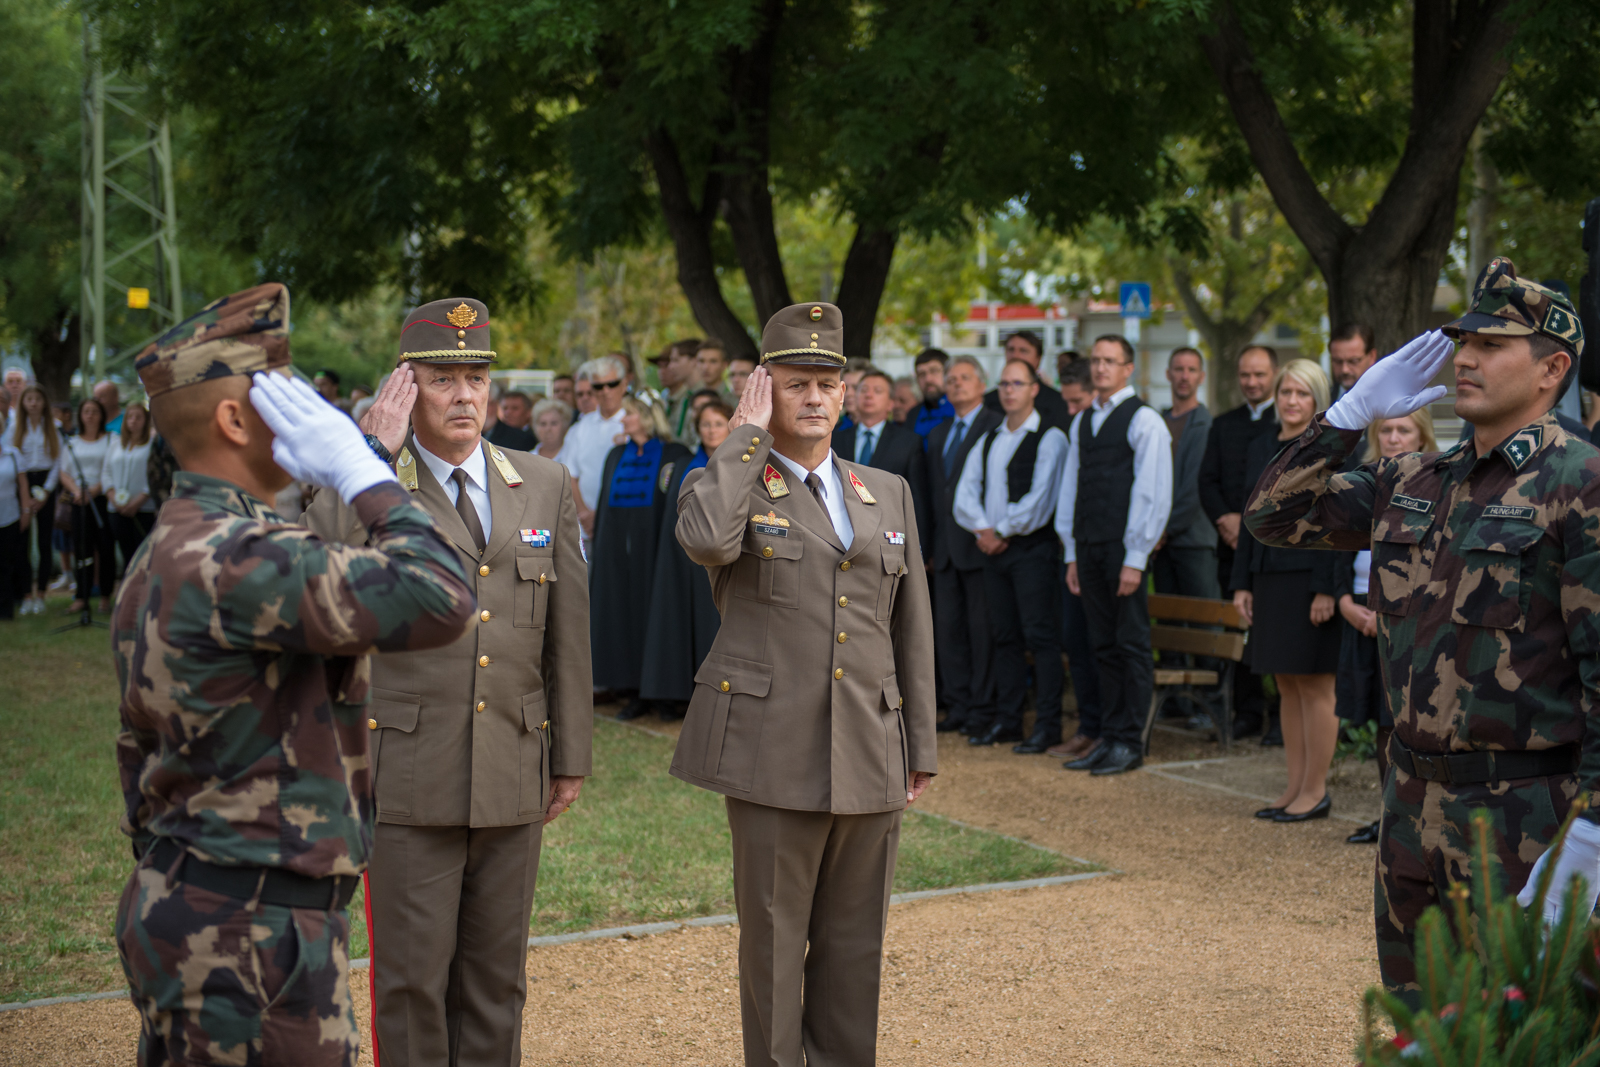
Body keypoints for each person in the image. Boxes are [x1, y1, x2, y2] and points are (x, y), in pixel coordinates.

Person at [113, 282, 475, 1067]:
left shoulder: (172, 546)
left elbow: (135, 752)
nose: (307, 413)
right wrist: (365, 472)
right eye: (284, 395)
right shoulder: (240, 556)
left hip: (194, 898)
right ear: (235, 420)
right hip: (251, 935)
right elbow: (443, 594)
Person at [1245, 257, 1600, 1004]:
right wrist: (1344, 416)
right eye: (1460, 339)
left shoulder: (1582, 484)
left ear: (1552, 368)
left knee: (1520, 1036)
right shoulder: (1412, 481)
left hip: (1525, 821)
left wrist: (1592, 838)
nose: (1464, 358)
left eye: (1491, 345)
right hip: (1409, 808)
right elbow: (1272, 516)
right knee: (1418, 1029)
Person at [305, 296, 592, 1067]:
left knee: (499, 979)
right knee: (410, 980)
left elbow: (566, 629)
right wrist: (367, 453)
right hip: (407, 768)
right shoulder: (369, 482)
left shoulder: (541, 480)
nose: (465, 395)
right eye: (443, 379)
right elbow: (320, 561)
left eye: (476, 377)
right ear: (407, 388)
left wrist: (571, 753)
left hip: (511, 759)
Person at [673, 301, 935, 1067]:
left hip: (869, 745)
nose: (815, 397)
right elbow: (705, 540)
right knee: (776, 947)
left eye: (828, 381)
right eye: (795, 383)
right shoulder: (725, 482)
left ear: (847, 392)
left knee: (854, 949)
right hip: (770, 749)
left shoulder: (885, 491)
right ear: (765, 389)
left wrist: (918, 737)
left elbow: (909, 623)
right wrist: (743, 436)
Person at [1232, 359, 1348, 822]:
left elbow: (1339, 521)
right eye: (1286, 393)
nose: (1292, 401)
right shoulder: (1261, 444)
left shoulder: (1327, 448)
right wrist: (1242, 581)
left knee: (1316, 686)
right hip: (1268, 575)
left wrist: (1326, 588)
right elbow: (1249, 517)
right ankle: (1293, 786)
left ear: (1317, 399)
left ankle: (1315, 791)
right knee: (1285, 684)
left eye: (1302, 393)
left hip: (1308, 580)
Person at [1057, 334, 1173, 776]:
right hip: (1087, 548)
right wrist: (1071, 552)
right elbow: (1072, 488)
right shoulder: (1082, 421)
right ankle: (1108, 735)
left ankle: (1130, 741)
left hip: (1124, 550)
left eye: (1111, 361)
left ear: (1128, 367)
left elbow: (1153, 493)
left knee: (1130, 644)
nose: (1101, 368)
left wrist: (1135, 557)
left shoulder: (1144, 420)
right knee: (1100, 644)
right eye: (1097, 360)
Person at [955, 357, 1069, 752]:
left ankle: (1048, 726)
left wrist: (1002, 530)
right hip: (993, 550)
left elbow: (1043, 498)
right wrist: (984, 530)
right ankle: (1008, 721)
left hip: (1031, 550)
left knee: (1040, 637)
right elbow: (966, 493)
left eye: (1017, 383)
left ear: (1034, 388)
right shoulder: (990, 438)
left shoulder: (1050, 437)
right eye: (1004, 384)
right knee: (1003, 637)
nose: (1009, 390)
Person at [1338, 408, 1439, 846]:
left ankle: (1412, 822)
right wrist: (1345, 601)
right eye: (1387, 430)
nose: (1394, 437)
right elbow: (1337, 549)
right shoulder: (1367, 482)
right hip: (1360, 613)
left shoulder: (1438, 483)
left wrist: (1387, 613)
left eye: (1404, 430)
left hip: (1408, 622)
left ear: (1422, 436)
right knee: (1378, 722)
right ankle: (1386, 817)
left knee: (1404, 723)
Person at [590, 393, 692, 719]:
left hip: (656, 549)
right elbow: (606, 505)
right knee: (623, 616)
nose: (623, 419)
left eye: (630, 414)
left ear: (647, 417)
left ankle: (662, 692)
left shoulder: (673, 455)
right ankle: (632, 689)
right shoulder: (616, 454)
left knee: (657, 616)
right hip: (618, 552)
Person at [1198, 345, 1280, 739]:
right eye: (1245, 375)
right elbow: (1207, 480)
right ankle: (1246, 712)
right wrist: (1226, 521)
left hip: (1273, 550)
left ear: (1274, 375)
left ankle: (1280, 717)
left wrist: (1249, 525)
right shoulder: (1223, 424)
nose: (1252, 382)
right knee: (1239, 630)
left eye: (1259, 375)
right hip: (1230, 547)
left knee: (1277, 631)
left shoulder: (1286, 425)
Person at [639, 401, 732, 720]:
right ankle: (676, 694)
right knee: (678, 623)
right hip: (681, 557)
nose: (711, 430)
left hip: (723, 559)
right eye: (705, 424)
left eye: (718, 423)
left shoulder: (739, 463)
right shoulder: (682, 465)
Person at [925, 355, 1002, 735]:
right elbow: (931, 497)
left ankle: (982, 709)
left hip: (981, 546)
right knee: (948, 631)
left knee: (981, 632)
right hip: (944, 550)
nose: (955, 384)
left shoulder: (996, 426)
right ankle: (957, 706)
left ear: (982, 384)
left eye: (964, 378)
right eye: (950, 379)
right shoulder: (938, 433)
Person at [1046, 359, 1108, 762]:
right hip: (1074, 553)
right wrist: (1070, 554)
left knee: (1101, 643)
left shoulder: (1112, 428)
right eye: (1066, 402)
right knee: (1076, 640)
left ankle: (1105, 730)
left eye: (1077, 401)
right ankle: (1088, 727)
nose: (1070, 411)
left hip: (1104, 549)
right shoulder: (1078, 427)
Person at [832, 368, 931, 549]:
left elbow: (917, 498)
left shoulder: (908, 442)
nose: (869, 395)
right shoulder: (835, 439)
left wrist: (920, 547)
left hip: (889, 539)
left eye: (877, 391)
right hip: (841, 537)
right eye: (863, 390)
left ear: (891, 403)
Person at [61, 397, 116, 614]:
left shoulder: (111, 440)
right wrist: (77, 491)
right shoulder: (72, 443)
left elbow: (113, 468)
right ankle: (81, 597)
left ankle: (105, 597)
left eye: (94, 411)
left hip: (103, 499)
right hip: (79, 501)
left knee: (105, 549)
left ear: (101, 415)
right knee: (82, 551)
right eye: (86, 411)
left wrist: (95, 490)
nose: (90, 415)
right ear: (81, 416)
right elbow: (64, 473)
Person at [566, 354, 631, 536]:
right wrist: (584, 514)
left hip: (625, 521)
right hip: (586, 526)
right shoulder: (579, 428)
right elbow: (570, 476)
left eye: (612, 384)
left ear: (624, 384)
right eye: (598, 386)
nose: (605, 391)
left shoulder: (635, 423)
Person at [13, 383, 61, 615]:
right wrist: (25, 496)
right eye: (29, 399)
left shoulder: (54, 428)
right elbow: (14, 461)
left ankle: (41, 594)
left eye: (37, 399)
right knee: (22, 544)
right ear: (23, 403)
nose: (33, 403)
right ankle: (26, 595)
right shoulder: (15, 427)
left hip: (45, 484)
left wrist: (47, 492)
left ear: (44, 403)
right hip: (22, 483)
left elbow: (58, 462)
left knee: (43, 542)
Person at [104, 403, 158, 575]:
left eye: (138, 417)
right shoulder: (115, 444)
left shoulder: (151, 444)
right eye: (130, 417)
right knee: (126, 552)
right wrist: (112, 496)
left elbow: (154, 475)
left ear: (146, 420)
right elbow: (106, 472)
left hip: (143, 508)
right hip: (117, 508)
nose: (133, 421)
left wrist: (139, 501)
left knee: (143, 553)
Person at [982, 330, 1072, 428]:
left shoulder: (1058, 403)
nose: (1015, 356)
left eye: (1023, 351)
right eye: (1011, 350)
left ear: (1038, 358)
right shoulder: (987, 402)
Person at [652, 337, 703, 447]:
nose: (671, 367)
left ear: (694, 361)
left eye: (676, 360)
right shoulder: (684, 396)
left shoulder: (703, 395)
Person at [0, 432, 28, 620]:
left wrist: (26, 510)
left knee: (6, 563)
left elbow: (23, 485)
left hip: (9, 515)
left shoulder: (13, 454)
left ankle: (5, 609)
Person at [910, 348, 956, 438]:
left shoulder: (960, 409)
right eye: (921, 374)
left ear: (948, 373)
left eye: (934, 371)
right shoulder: (913, 415)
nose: (928, 379)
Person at [1328, 322, 1377, 401]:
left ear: (1372, 356)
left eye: (1353, 361)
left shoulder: (1390, 398)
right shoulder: (1322, 400)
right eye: (1338, 361)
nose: (1345, 370)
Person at [531, 396, 576, 469]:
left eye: (554, 423)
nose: (548, 429)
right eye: (543, 424)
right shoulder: (527, 458)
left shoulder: (573, 456)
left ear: (565, 426)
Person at [695, 339, 733, 403]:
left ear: (724, 365)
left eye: (713, 361)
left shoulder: (733, 401)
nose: (705, 367)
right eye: (701, 361)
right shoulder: (693, 397)